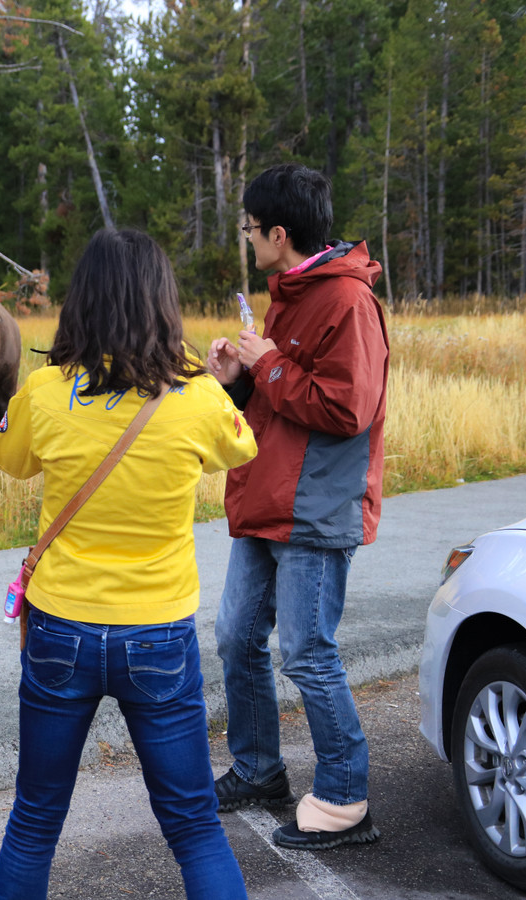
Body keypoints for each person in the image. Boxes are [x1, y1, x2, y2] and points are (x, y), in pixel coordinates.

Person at [0, 229, 258, 900]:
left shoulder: (48, 391)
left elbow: (7, 457)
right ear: (163, 304)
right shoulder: (196, 398)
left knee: (34, 819)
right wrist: (213, 378)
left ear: (82, 302)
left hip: (59, 630)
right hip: (159, 634)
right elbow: (242, 447)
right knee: (195, 827)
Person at [206, 163, 389, 850]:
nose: (248, 240)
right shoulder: (292, 292)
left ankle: (345, 798)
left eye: (252, 229)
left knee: (309, 653)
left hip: (315, 507)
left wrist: (270, 363)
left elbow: (347, 408)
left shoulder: (346, 302)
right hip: (268, 497)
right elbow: (281, 399)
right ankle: (258, 769)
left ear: (279, 233)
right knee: (236, 637)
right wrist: (238, 380)